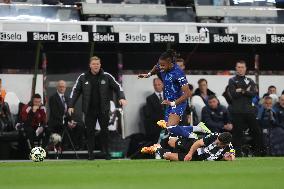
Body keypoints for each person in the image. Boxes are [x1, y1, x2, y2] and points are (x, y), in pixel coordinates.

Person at [68, 56, 127, 160]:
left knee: (105, 132)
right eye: (94, 64)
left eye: (98, 64)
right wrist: (71, 105)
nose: (96, 66)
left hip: (103, 110)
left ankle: (107, 154)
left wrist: (122, 98)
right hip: (89, 110)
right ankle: (91, 155)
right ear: (90, 65)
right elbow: (75, 91)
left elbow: (118, 87)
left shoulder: (107, 76)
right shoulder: (83, 77)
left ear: (100, 65)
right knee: (89, 133)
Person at [138, 49, 191, 127]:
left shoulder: (179, 74)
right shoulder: (163, 66)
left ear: (170, 63)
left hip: (178, 104)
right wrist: (148, 74)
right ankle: (197, 128)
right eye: (160, 64)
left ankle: (197, 128)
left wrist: (174, 104)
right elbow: (156, 67)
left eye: (163, 65)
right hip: (169, 104)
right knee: (169, 129)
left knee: (172, 127)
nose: (161, 67)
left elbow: (187, 93)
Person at [228, 60, 263, 156]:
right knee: (237, 134)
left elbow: (253, 94)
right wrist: (246, 90)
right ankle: (237, 154)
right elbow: (233, 94)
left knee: (256, 131)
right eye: (238, 67)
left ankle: (258, 153)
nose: (240, 69)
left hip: (249, 111)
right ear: (236, 68)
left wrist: (241, 90)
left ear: (245, 68)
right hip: (237, 111)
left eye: (242, 67)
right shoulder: (232, 80)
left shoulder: (250, 80)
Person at [142, 130, 235, 162]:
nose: (216, 142)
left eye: (218, 143)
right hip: (192, 146)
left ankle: (157, 148)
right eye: (217, 140)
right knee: (171, 142)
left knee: (167, 156)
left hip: (197, 158)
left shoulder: (229, 148)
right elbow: (198, 143)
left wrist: (225, 159)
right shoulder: (215, 136)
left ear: (225, 144)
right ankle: (163, 141)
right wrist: (190, 154)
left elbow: (232, 157)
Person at [49, 80, 84, 150]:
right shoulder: (53, 98)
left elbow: (70, 112)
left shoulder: (67, 98)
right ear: (57, 87)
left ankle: (76, 145)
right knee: (65, 126)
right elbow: (55, 113)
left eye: (63, 87)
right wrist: (67, 122)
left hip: (66, 121)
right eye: (60, 87)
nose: (62, 88)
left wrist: (71, 121)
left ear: (65, 88)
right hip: (57, 121)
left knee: (80, 125)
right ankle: (65, 146)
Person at [144, 78, 165, 144]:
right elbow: (150, 114)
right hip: (156, 126)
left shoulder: (168, 96)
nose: (157, 86)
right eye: (155, 85)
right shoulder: (149, 98)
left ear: (163, 85)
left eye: (159, 84)